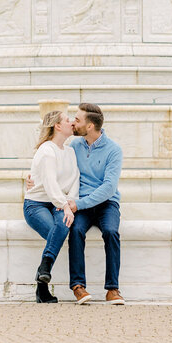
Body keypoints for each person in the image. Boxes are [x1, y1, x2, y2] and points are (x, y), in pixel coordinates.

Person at [67, 103, 125, 305]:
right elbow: (57, 167)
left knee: (111, 232)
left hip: (106, 203)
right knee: (75, 231)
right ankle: (78, 286)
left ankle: (112, 289)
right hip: (82, 203)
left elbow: (109, 187)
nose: (73, 122)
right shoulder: (73, 146)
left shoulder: (114, 150)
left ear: (90, 126)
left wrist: (79, 204)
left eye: (77, 119)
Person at [23, 110, 80, 303]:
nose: (72, 122)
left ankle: (43, 273)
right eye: (67, 120)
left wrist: (69, 203)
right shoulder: (47, 150)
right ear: (57, 126)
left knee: (63, 225)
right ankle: (43, 280)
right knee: (55, 232)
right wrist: (64, 205)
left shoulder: (70, 151)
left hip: (59, 203)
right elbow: (50, 183)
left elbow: (75, 180)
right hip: (36, 204)